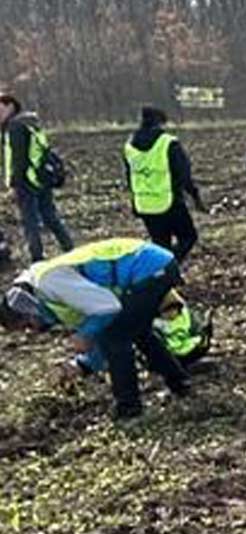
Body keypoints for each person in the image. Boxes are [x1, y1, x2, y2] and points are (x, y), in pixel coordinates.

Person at [0, 238, 191, 420]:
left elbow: (108, 308)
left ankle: (129, 407)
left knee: (116, 338)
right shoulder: (46, 289)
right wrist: (82, 365)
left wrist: (85, 334)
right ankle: (180, 383)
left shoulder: (49, 283)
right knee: (137, 332)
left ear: (27, 310)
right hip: (155, 266)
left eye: (27, 325)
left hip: (149, 269)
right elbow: (103, 321)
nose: (31, 330)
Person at [123, 107, 206, 261]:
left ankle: (164, 275)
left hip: (144, 204)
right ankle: (169, 269)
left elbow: (129, 176)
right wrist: (195, 196)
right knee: (188, 237)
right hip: (169, 202)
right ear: (160, 122)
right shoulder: (168, 143)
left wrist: (135, 201)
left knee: (161, 246)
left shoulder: (129, 146)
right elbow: (184, 175)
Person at [2, 94, 74, 263]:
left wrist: (14, 183)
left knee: (30, 222)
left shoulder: (14, 127)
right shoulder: (30, 123)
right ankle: (69, 248)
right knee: (51, 217)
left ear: (10, 106)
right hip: (41, 178)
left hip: (26, 182)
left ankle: (37, 259)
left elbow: (18, 159)